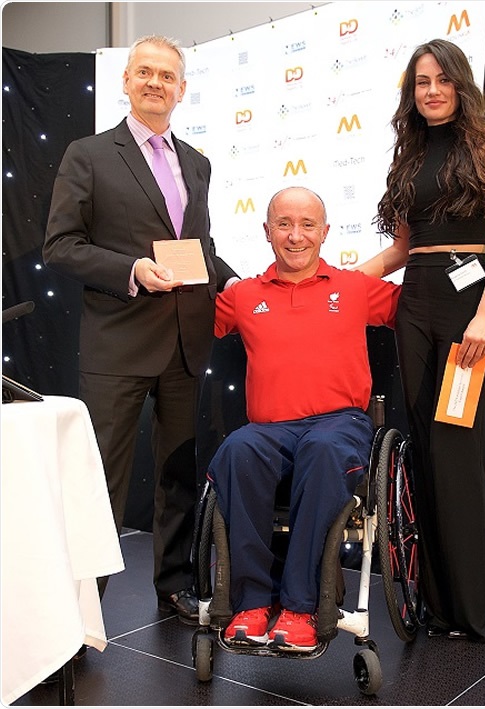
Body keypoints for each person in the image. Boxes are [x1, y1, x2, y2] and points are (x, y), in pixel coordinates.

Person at [43, 35, 238, 624]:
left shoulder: (197, 162)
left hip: (185, 343)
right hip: (119, 345)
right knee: (101, 480)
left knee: (178, 473)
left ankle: (174, 585)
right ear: (126, 80)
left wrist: (241, 286)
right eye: (145, 72)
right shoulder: (88, 154)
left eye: (167, 76)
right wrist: (130, 269)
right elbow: (61, 245)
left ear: (182, 89)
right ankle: (80, 610)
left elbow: (199, 248)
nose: (156, 83)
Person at [356, 39, 485, 643]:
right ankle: (438, 604)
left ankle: (475, 609)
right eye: (421, 82)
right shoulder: (410, 153)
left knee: (455, 445)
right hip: (417, 302)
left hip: (466, 304)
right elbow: (403, 249)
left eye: (441, 79)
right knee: (424, 448)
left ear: (460, 82)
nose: (431, 90)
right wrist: (341, 282)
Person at [206, 186, 400, 651]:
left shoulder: (353, 287)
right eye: (284, 224)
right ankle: (252, 602)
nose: (296, 236)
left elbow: (421, 311)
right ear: (267, 231)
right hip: (268, 430)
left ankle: (300, 605)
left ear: (325, 232)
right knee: (235, 449)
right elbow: (184, 324)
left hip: (338, 424)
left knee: (322, 448)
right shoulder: (243, 295)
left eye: (307, 225)